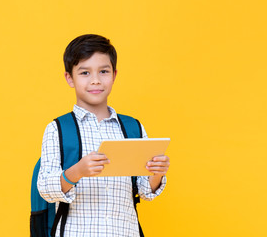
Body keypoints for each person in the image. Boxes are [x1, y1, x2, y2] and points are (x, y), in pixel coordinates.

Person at [37, 34, 170, 237]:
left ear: (114, 75)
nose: (96, 80)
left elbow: (145, 190)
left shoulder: (133, 128)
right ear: (69, 78)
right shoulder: (58, 128)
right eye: (84, 73)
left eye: (104, 71)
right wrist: (77, 171)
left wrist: (157, 173)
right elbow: (45, 188)